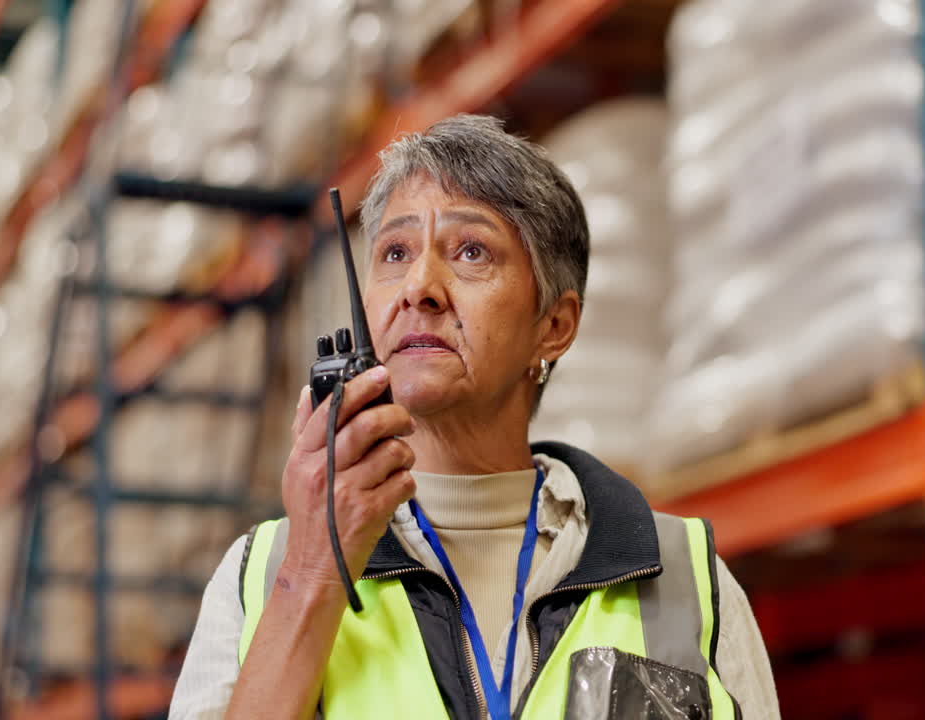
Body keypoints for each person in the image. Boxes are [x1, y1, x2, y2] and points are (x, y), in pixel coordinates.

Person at [170, 114, 780, 720]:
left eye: (470, 251)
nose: (419, 287)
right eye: (395, 252)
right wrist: (313, 571)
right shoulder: (261, 574)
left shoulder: (685, 581)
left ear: (555, 326)